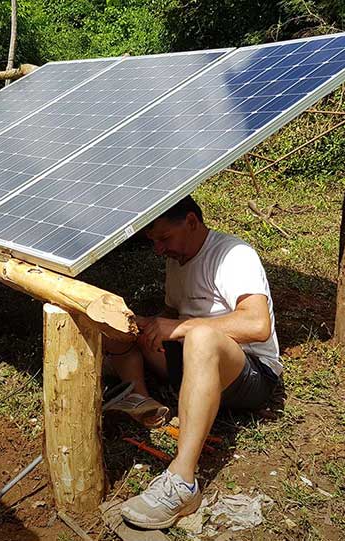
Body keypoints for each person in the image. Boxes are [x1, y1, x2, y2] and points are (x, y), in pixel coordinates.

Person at [106, 196, 281, 530]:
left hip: (250, 371)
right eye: (153, 241)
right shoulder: (178, 258)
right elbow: (175, 315)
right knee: (120, 323)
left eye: (164, 238)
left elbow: (257, 326)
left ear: (190, 221)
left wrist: (184, 328)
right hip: (195, 359)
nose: (158, 249)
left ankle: (183, 481)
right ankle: (139, 399)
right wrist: (149, 323)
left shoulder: (233, 255)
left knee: (200, 337)